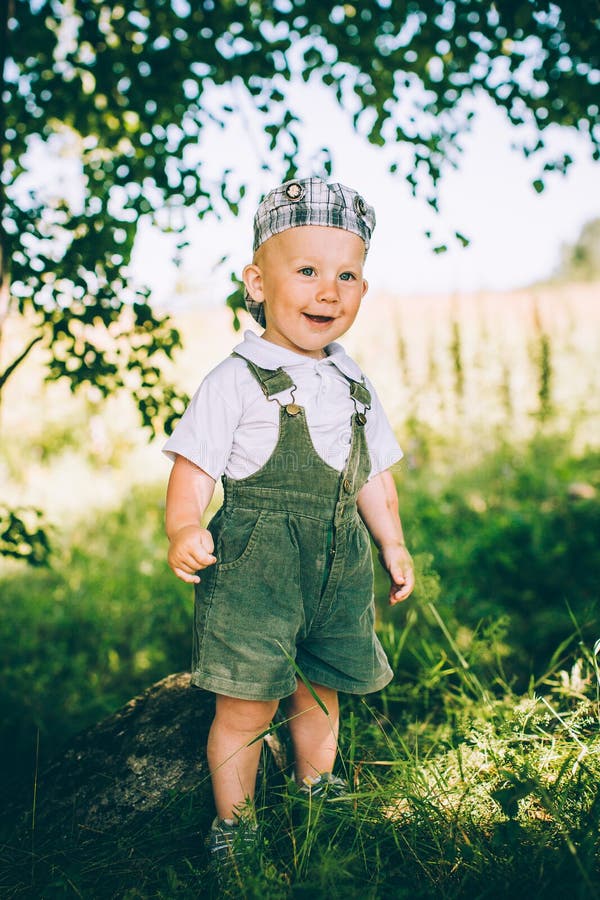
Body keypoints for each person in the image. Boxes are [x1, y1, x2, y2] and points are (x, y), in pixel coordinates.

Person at [163, 177, 414, 864]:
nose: (327, 291)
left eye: (347, 275)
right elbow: (191, 471)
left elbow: (372, 476)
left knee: (321, 685)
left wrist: (391, 541)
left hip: (339, 568)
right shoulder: (235, 380)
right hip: (255, 572)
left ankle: (316, 786)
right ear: (257, 281)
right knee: (246, 704)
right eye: (306, 271)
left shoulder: (355, 383)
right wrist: (185, 527)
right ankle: (235, 829)